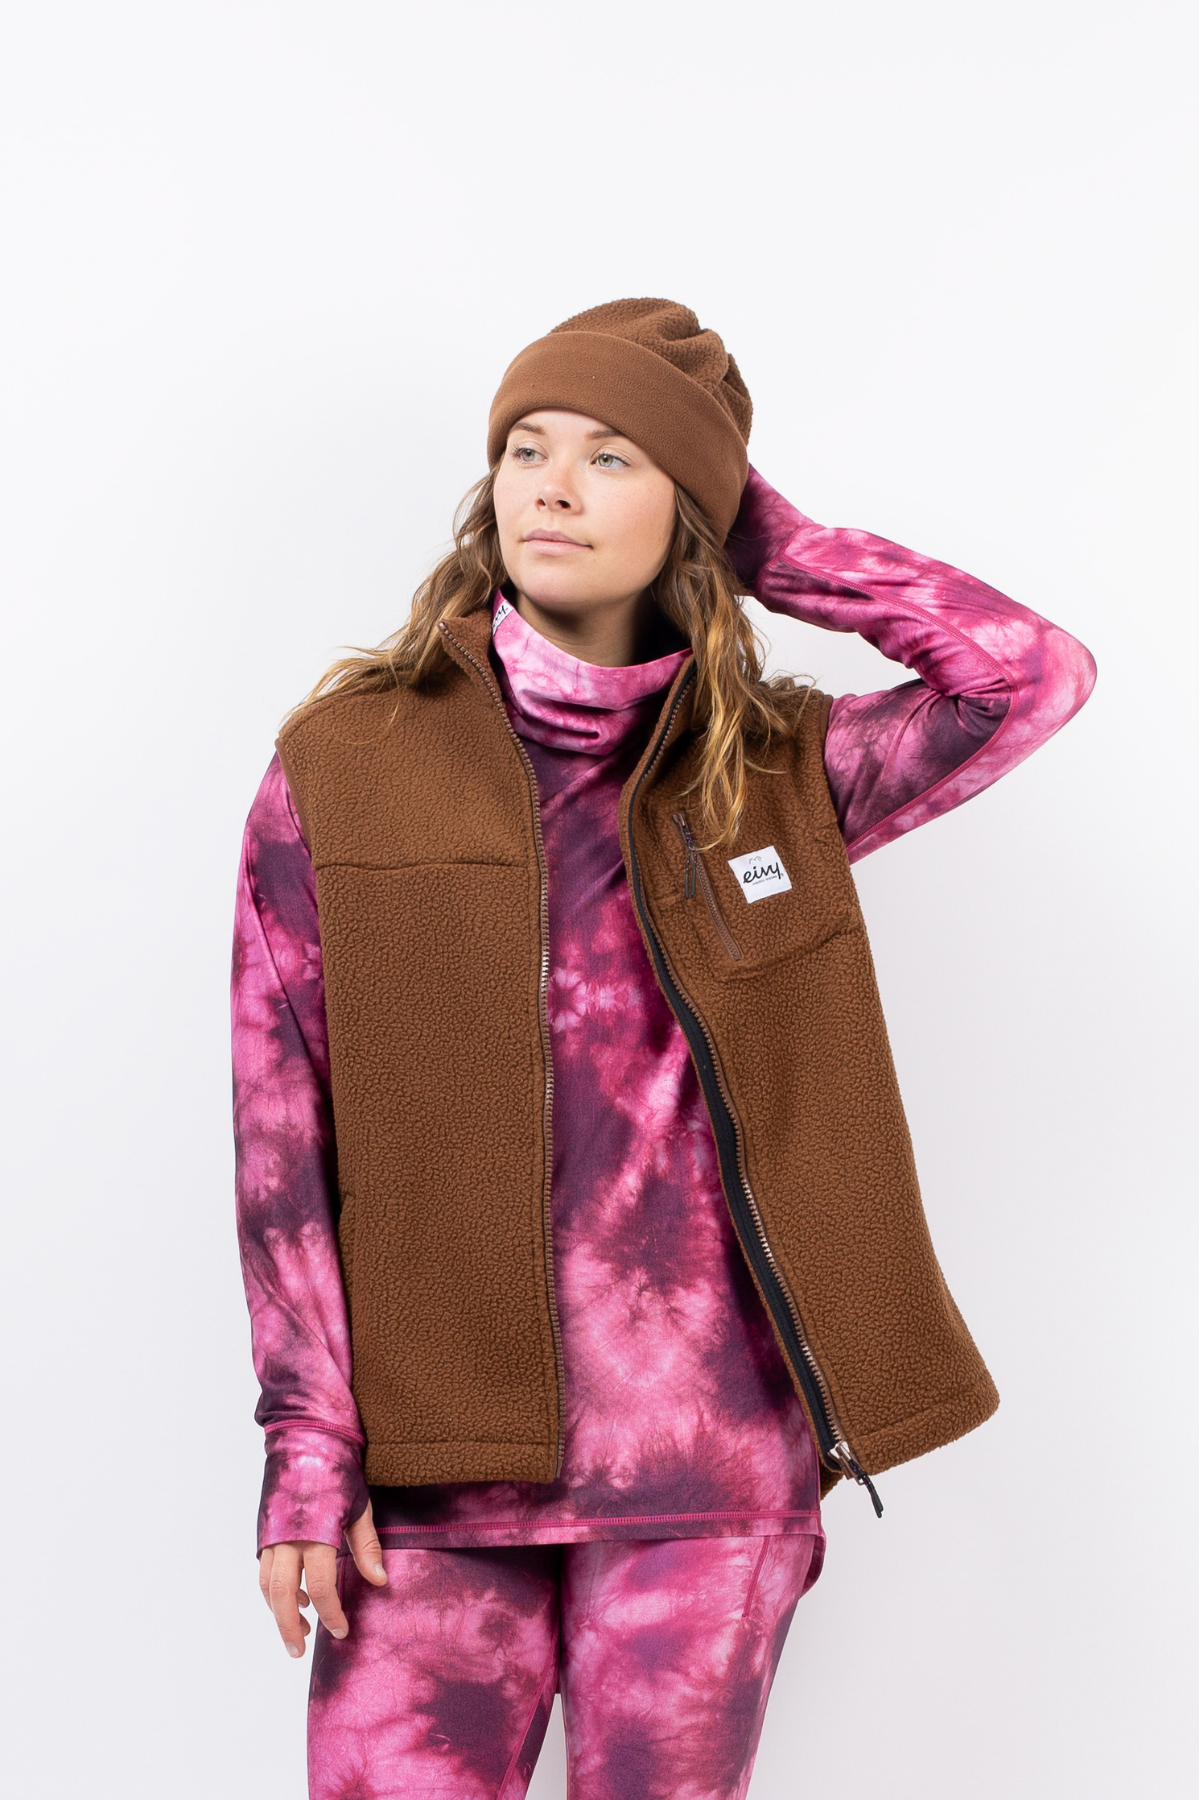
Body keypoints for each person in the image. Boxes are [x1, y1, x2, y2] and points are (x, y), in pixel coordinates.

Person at [232, 298, 1096, 1800]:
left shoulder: (775, 773)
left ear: (696, 510)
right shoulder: (346, 765)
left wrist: (778, 541)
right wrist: (310, 1446)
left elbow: (1029, 675)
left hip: (709, 1466)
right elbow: (279, 1135)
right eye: (526, 448)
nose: (554, 487)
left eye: (613, 456)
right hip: (432, 1475)